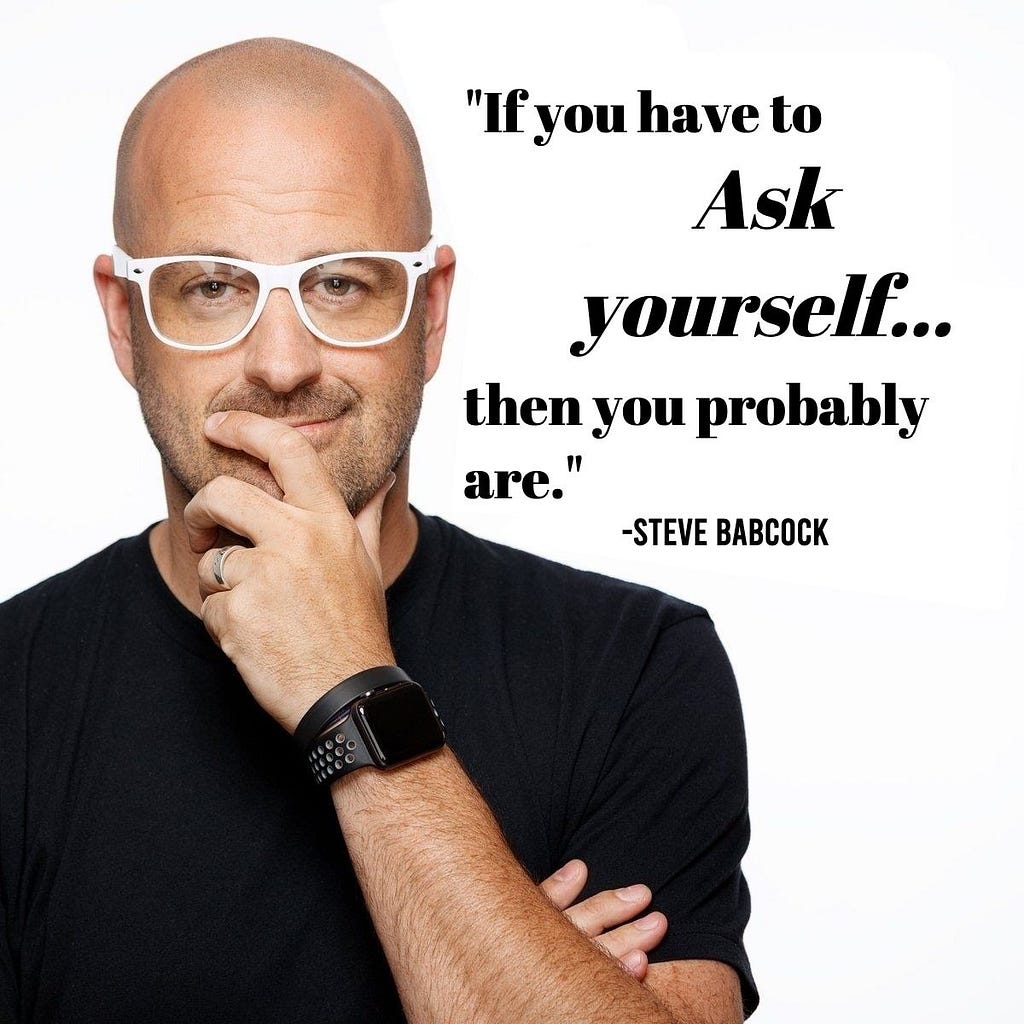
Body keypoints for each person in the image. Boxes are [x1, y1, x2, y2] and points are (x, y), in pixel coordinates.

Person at [0, 37, 757, 1023]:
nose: (281, 361)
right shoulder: (14, 692)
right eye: (212, 286)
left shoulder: (635, 665)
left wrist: (345, 685)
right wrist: (513, 970)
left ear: (430, 313)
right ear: (122, 319)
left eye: (340, 283)